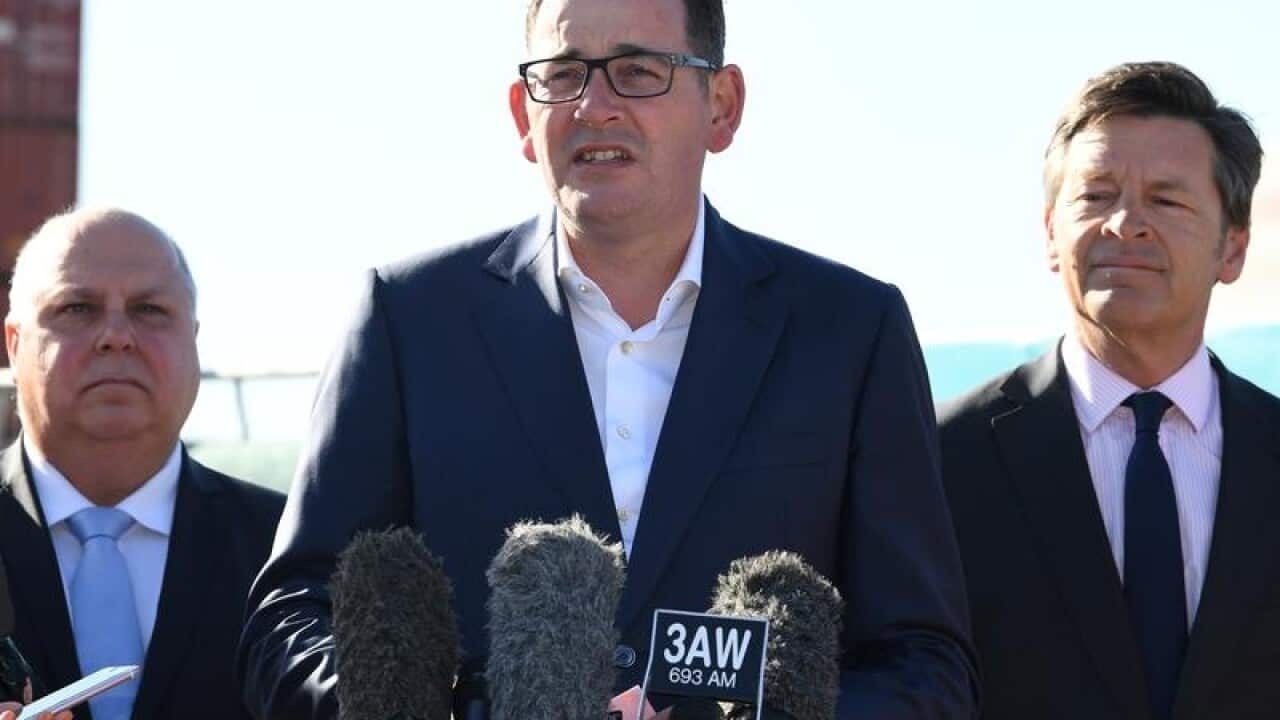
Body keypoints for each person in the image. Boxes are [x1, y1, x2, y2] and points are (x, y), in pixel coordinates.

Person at [238, 1, 978, 717]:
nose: (594, 105)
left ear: (722, 104)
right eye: (563, 74)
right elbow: (292, 618)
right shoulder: (407, 320)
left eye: (637, 69)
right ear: (521, 117)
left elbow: (922, 660)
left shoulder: (847, 331)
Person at [939, 62, 1278, 720]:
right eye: (1095, 196)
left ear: (1232, 249)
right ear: (1049, 234)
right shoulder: (943, 458)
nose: (1125, 223)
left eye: (1167, 200)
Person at [0, 208, 285, 720]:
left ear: (193, 340)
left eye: (149, 309)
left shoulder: (291, 551)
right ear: (14, 343)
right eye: (78, 308)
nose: (116, 335)